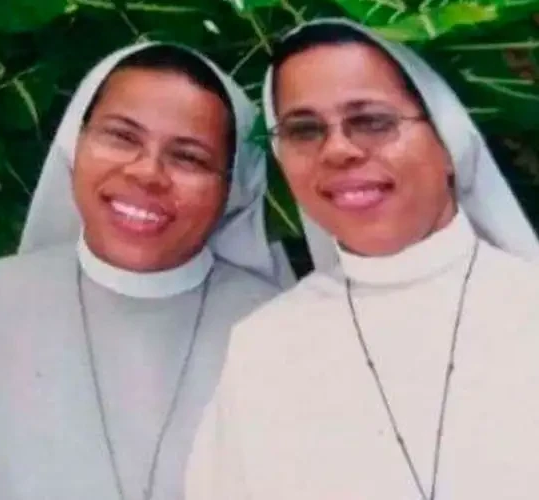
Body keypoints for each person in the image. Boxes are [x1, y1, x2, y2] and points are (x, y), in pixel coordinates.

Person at [0, 42, 295, 500]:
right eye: (122, 137)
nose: (147, 173)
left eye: (189, 157)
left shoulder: (282, 330)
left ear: (231, 187)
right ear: (75, 145)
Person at [185, 18, 539, 500]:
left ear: (447, 140)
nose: (337, 150)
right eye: (304, 130)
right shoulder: (264, 348)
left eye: (372, 121)